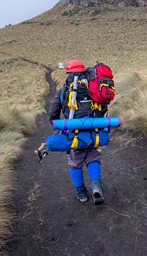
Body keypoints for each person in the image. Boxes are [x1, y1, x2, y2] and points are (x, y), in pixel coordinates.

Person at [49, 60, 109, 205]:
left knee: (75, 163)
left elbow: (53, 111)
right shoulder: (93, 87)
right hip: (94, 131)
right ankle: (96, 186)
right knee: (93, 158)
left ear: (68, 73)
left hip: (73, 133)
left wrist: (57, 124)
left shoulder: (63, 90)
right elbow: (103, 105)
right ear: (83, 71)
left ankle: (81, 194)